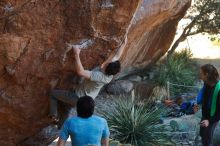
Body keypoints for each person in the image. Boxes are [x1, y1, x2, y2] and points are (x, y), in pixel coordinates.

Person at [49, 37, 127, 122]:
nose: (109, 60)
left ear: (107, 67)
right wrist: (124, 43)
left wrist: (76, 54)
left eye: (109, 62)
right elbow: (117, 56)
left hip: (78, 98)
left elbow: (81, 72)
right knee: (67, 108)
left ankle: (54, 116)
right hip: (85, 100)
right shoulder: (110, 72)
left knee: (53, 94)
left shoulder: (99, 76)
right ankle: (60, 127)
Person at [194, 64, 220, 146]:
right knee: (202, 135)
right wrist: (198, 105)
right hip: (205, 115)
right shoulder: (206, 84)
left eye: (201, 73)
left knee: (207, 140)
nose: (199, 75)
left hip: (213, 118)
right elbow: (206, 99)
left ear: (207, 75)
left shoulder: (219, 90)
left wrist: (209, 121)